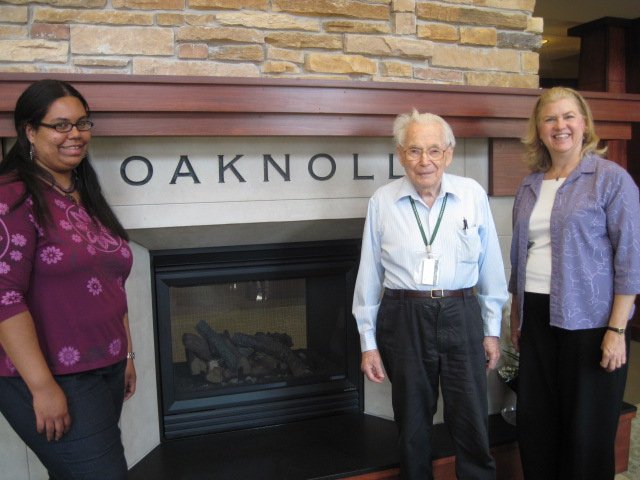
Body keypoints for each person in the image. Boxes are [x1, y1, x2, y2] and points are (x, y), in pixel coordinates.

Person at [352, 109, 509, 479]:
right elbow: (369, 275)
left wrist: (491, 329)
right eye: (415, 151)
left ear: (449, 154)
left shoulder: (472, 195)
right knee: (412, 424)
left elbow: (491, 268)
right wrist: (368, 343)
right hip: (404, 317)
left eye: (434, 150)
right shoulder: (383, 201)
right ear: (400, 154)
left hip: (462, 311)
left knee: (471, 419)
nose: (425, 161)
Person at [0, 79, 136, 479]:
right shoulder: (13, 197)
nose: (74, 134)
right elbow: (3, 296)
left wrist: (125, 353)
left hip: (105, 367)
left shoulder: (82, 191)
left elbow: (112, 282)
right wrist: (42, 388)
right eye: (59, 125)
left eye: (82, 123)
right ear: (29, 131)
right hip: (51, 374)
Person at [509, 86, 640, 479]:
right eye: (550, 118)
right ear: (539, 128)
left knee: (586, 435)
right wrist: (516, 315)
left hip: (592, 324)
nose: (559, 125)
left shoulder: (610, 180)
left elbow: (631, 260)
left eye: (568, 116)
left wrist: (617, 329)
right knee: (537, 427)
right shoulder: (530, 184)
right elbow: (521, 255)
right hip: (535, 319)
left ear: (584, 124)